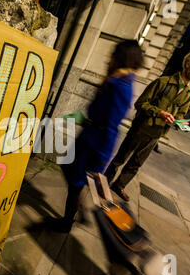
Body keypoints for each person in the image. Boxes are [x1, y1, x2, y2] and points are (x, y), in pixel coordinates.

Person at [49, 40, 144, 232]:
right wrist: (83, 120)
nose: (109, 58)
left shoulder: (121, 86)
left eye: (114, 54)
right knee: (68, 167)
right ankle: (77, 210)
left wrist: (101, 163)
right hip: (88, 137)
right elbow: (101, 113)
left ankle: (67, 221)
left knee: (75, 184)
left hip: (94, 145)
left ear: (122, 57)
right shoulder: (115, 80)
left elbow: (111, 127)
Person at [104, 48, 190, 201]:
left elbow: (180, 115)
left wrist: (179, 123)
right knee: (120, 158)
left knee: (136, 163)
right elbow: (140, 103)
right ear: (189, 63)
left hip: (157, 133)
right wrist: (159, 113)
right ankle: (105, 182)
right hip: (141, 128)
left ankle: (119, 185)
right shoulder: (163, 82)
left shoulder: (189, 92)